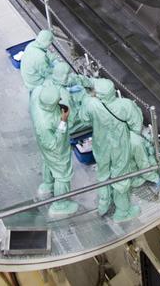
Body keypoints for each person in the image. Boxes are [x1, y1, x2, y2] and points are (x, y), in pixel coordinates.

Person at [86, 78, 145, 221]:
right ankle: (122, 212)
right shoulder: (125, 105)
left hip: (101, 147)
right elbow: (136, 126)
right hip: (119, 147)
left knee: (103, 174)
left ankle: (104, 204)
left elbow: (84, 119)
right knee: (120, 177)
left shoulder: (92, 105)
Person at [30, 86, 79, 216]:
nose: (60, 100)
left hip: (44, 147)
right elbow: (53, 145)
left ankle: (48, 184)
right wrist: (63, 121)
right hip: (55, 150)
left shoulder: (36, 98)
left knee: (48, 162)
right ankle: (60, 205)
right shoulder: (45, 123)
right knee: (62, 176)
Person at [34, 60, 89, 135]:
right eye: (68, 74)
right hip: (65, 126)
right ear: (64, 76)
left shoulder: (48, 81)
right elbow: (71, 120)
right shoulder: (65, 96)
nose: (70, 76)